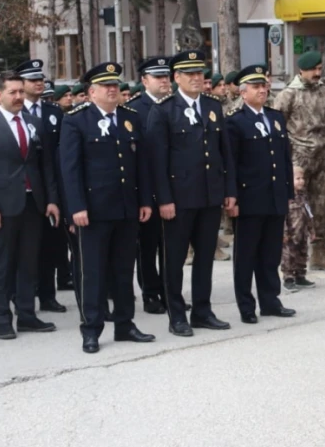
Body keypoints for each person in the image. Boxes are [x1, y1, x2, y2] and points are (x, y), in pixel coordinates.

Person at [60, 62, 155, 352]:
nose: (113, 89)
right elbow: (70, 169)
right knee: (94, 272)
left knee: (124, 271)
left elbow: (142, 164)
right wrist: (76, 207)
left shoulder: (130, 118)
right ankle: (91, 329)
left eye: (115, 85)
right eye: (106, 86)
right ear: (91, 92)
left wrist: (145, 200)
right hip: (94, 211)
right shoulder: (76, 120)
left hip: (126, 208)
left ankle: (125, 325)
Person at [145, 50, 235, 337]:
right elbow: (156, 161)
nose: (197, 78)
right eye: (190, 74)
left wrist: (229, 190)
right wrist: (164, 199)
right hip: (179, 199)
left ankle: (202, 310)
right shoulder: (163, 110)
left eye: (200, 73)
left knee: (205, 256)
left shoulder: (212, 106)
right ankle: (177, 315)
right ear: (176, 78)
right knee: (173, 260)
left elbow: (224, 154)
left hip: (209, 195)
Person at [0, 72, 61, 340]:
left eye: (21, 92)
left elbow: (45, 165)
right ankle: (3, 318)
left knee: (28, 262)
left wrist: (52, 200)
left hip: (33, 203)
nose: (19, 97)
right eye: (13, 92)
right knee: (2, 263)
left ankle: (27, 315)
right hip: (3, 206)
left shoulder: (34, 123)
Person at [226, 65, 296, 324]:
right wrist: (231, 196)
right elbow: (231, 163)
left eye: (264, 85)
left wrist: (288, 191)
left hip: (275, 197)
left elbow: (284, 158)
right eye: (256, 87)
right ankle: (246, 305)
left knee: (270, 254)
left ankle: (270, 301)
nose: (262, 90)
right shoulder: (235, 122)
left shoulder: (276, 117)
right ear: (243, 93)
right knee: (246, 256)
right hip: (249, 199)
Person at [271, 51, 325, 273]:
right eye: (314, 70)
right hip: (298, 158)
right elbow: (277, 127)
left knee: (322, 205)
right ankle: (293, 257)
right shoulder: (288, 95)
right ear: (302, 70)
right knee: (297, 208)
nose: (318, 74)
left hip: (322, 156)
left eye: (320, 69)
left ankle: (318, 252)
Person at [17, 59, 69, 314]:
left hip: (50, 188)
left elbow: (58, 155)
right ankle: (23, 296)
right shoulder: (16, 113)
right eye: (32, 80)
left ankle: (48, 295)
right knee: (25, 248)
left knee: (50, 245)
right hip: (24, 190)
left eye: (40, 79)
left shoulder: (54, 112)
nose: (39, 83)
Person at [127, 56, 172, 314]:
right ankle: (150, 293)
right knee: (147, 246)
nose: (164, 81)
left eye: (166, 76)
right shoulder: (134, 110)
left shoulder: (174, 105)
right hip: (146, 189)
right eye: (158, 77)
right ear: (144, 81)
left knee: (171, 246)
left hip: (173, 187)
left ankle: (169, 291)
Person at [281, 166, 317, 291]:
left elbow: (308, 213)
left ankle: (300, 276)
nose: (301, 181)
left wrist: (312, 230)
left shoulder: (303, 195)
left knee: (302, 254)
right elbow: (282, 217)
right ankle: (288, 278)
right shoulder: (285, 197)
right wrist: (283, 233)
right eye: (298, 178)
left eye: (302, 178)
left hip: (302, 233)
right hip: (290, 234)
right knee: (289, 256)